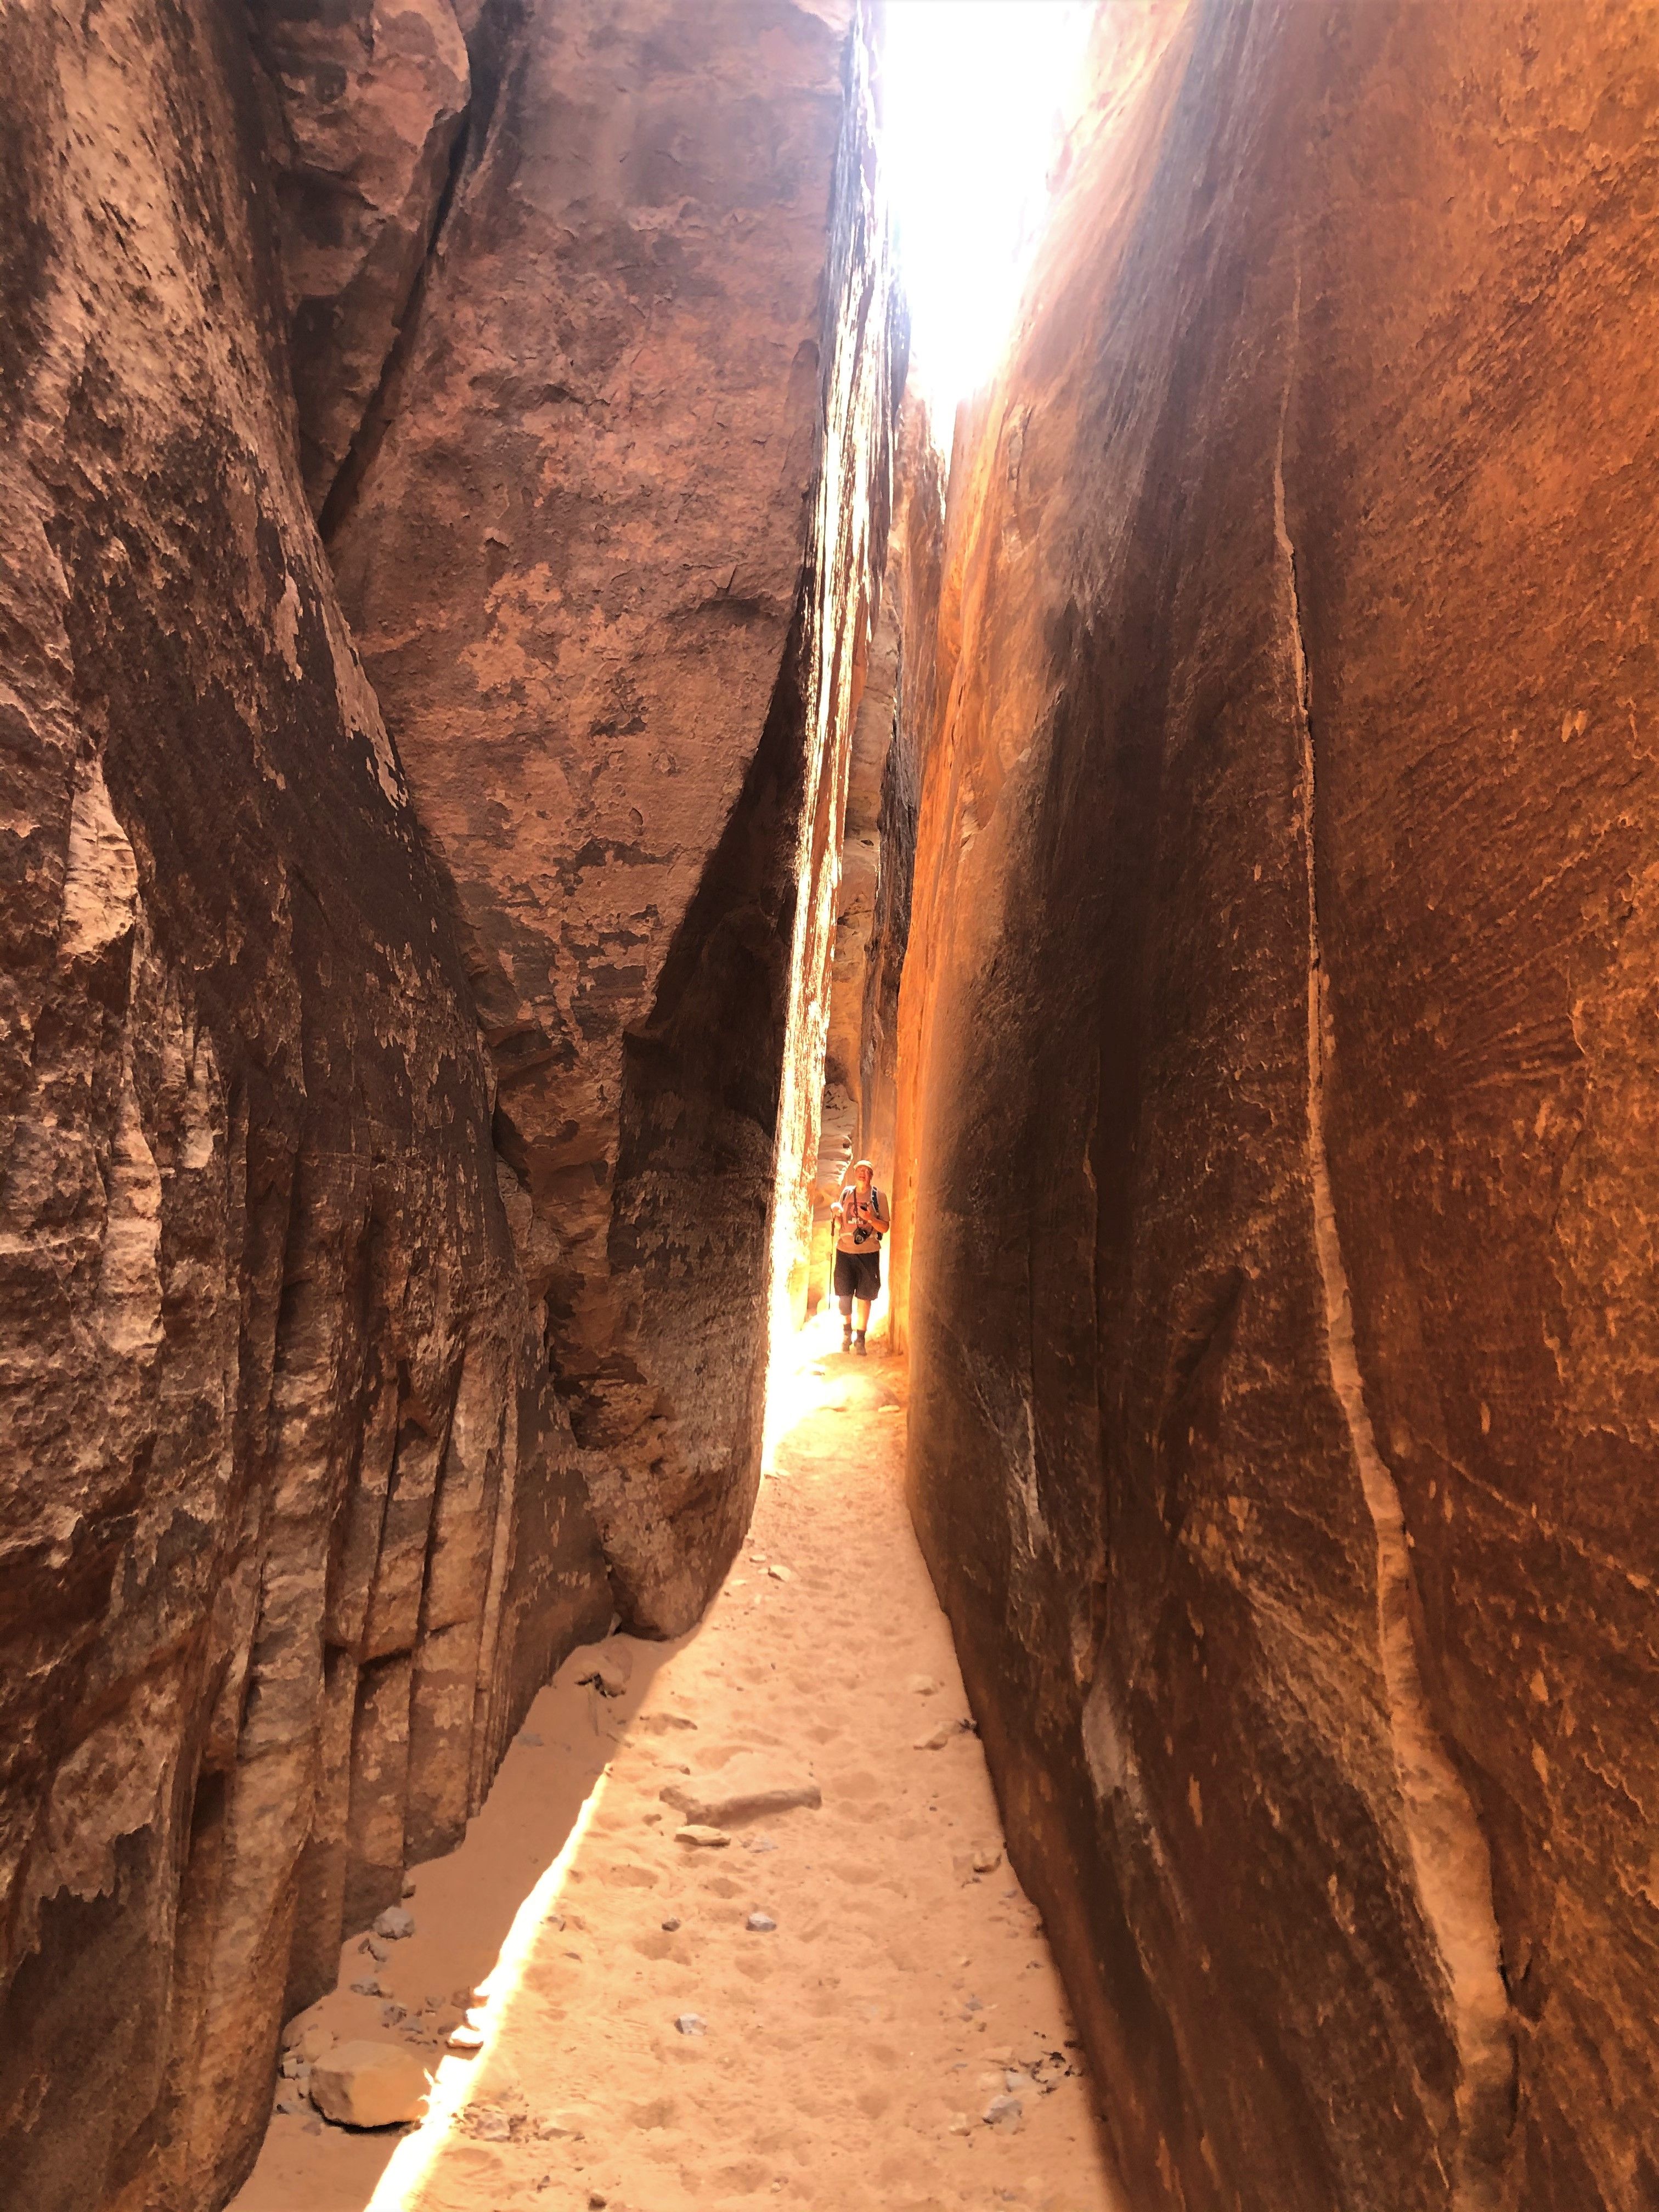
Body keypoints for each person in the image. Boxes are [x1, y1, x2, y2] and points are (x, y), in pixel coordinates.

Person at [831, 1158, 890, 1355]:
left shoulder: (878, 1197)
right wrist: (836, 1214)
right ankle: (846, 1334)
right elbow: (840, 1225)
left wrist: (870, 1219)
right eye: (859, 1170)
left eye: (866, 1171)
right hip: (845, 1252)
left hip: (868, 1253)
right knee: (844, 1296)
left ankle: (860, 1339)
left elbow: (885, 1227)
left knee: (865, 1297)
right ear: (855, 1173)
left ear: (871, 1175)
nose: (862, 1173)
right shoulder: (847, 1193)